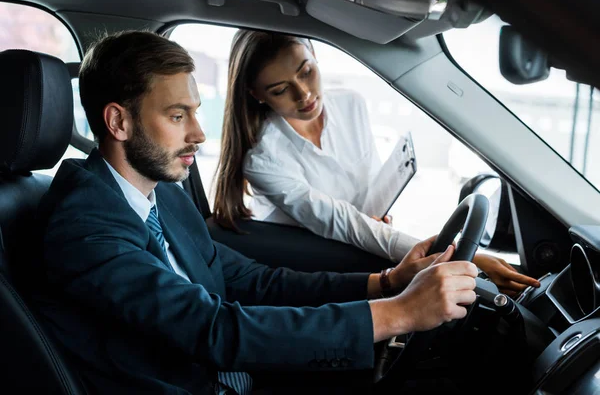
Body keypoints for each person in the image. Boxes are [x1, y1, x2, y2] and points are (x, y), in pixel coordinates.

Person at [34, 30, 479, 395]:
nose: (199, 133)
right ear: (119, 123)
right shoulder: (83, 227)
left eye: (194, 111)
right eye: (177, 116)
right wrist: (399, 313)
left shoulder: (160, 194)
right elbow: (213, 329)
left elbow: (251, 281)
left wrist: (386, 283)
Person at [213, 30, 540, 297]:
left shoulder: (351, 104)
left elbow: (365, 195)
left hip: (365, 248)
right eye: (281, 90)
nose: (304, 95)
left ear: (314, 53)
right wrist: (458, 258)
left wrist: (377, 217)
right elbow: (339, 220)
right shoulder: (262, 160)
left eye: (307, 72)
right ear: (256, 94)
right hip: (320, 267)